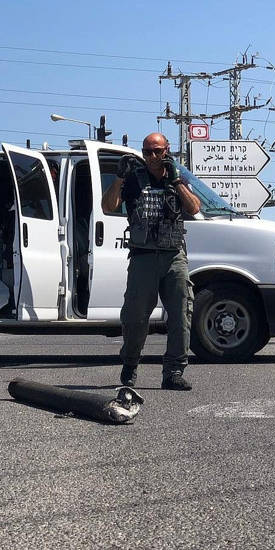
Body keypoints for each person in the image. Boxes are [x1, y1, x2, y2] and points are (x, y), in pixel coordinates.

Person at [101, 133, 201, 390]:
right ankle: (130, 365)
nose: (153, 157)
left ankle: (174, 372)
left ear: (167, 150)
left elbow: (193, 208)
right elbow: (109, 206)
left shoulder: (176, 176)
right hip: (143, 256)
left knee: (181, 314)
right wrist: (120, 177)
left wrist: (177, 182)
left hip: (173, 255)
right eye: (147, 152)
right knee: (135, 316)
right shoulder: (134, 177)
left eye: (158, 151)